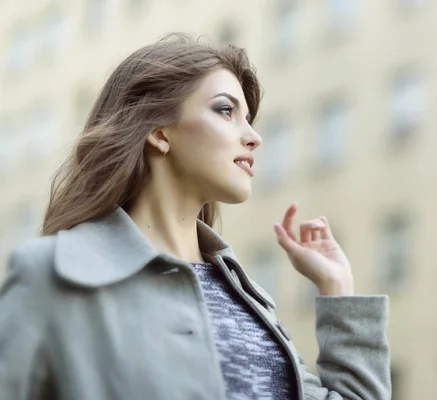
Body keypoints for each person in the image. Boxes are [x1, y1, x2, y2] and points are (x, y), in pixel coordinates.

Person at [0, 33, 390, 400]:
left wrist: (336, 288)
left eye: (249, 118)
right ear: (159, 131)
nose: (253, 136)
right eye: (226, 111)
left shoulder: (248, 301)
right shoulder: (54, 276)